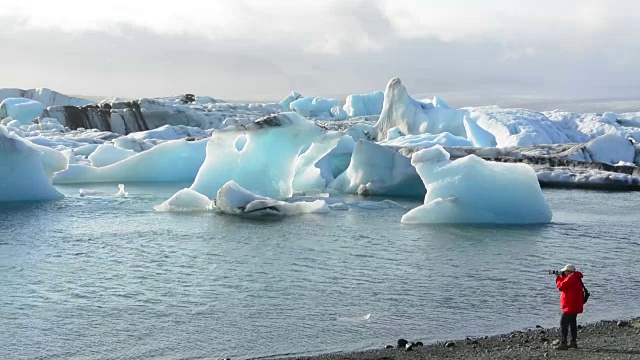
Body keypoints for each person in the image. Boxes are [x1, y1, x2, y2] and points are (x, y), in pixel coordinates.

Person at [555, 264, 584, 350]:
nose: (564, 273)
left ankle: (564, 343)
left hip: (569, 306)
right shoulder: (576, 277)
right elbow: (567, 285)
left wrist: (558, 278)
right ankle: (573, 342)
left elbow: (561, 287)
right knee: (572, 323)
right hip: (574, 305)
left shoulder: (571, 278)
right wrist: (563, 277)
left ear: (569, 272)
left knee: (563, 323)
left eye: (565, 271)